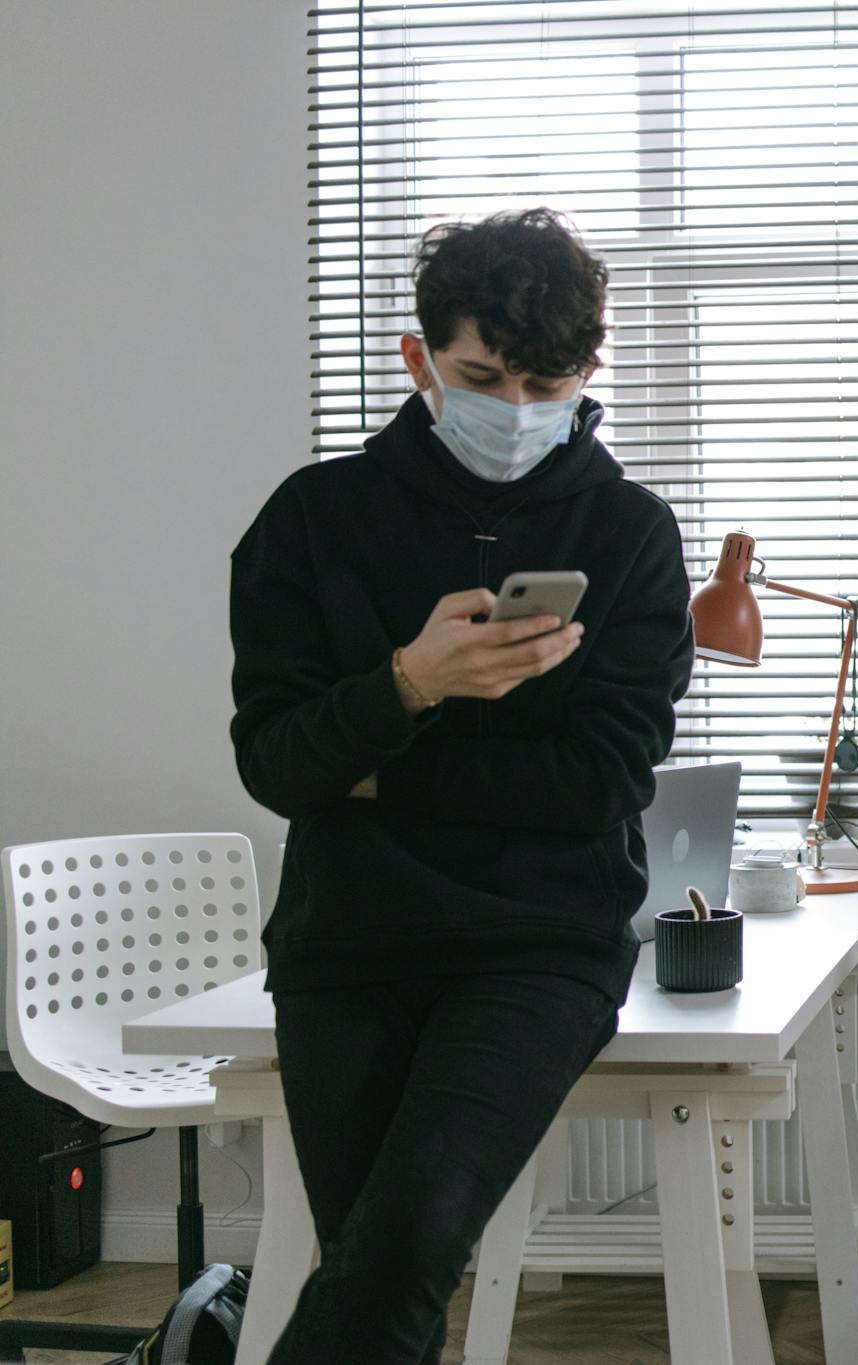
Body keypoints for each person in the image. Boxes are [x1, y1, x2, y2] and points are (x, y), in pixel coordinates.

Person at [229, 207, 695, 1363]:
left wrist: (380, 772)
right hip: (348, 944)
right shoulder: (311, 521)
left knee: (398, 1254)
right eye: (485, 376)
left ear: (592, 368)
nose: (519, 411)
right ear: (418, 359)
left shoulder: (630, 535)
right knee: (379, 1284)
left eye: (547, 382)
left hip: (537, 946)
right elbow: (278, 766)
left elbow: (596, 784)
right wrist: (408, 681)